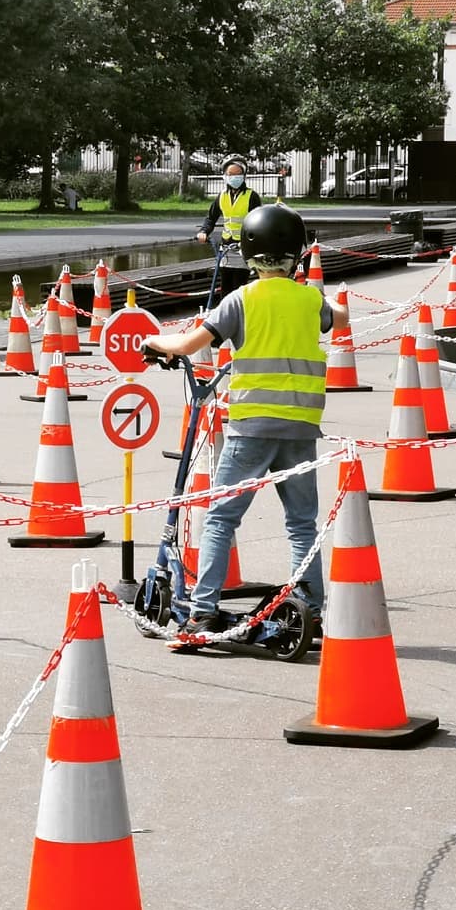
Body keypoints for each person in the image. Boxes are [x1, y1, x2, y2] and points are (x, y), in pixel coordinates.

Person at [143, 203, 347, 637]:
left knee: (221, 518)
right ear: (296, 254)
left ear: (250, 255)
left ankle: (202, 610)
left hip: (251, 427)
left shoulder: (242, 299)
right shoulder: (310, 299)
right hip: (300, 429)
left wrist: (151, 340)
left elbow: (186, 344)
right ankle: (309, 609)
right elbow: (338, 318)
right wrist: (329, 304)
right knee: (301, 523)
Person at [197, 157, 263, 298]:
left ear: (244, 176)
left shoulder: (252, 197)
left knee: (238, 286)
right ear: (225, 176)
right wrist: (203, 231)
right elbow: (211, 218)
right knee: (225, 287)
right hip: (226, 248)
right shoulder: (221, 196)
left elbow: (259, 222)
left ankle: (239, 316)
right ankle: (226, 316)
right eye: (230, 174)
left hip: (243, 247)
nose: (234, 178)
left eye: (238, 174)